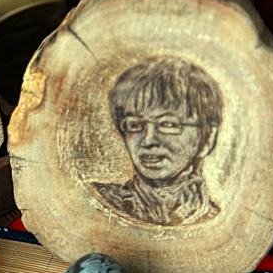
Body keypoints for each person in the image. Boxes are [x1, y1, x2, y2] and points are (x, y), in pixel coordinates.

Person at [92, 56, 223, 226]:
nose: (148, 140)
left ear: (207, 138)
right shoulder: (101, 202)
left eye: (167, 124)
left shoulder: (216, 220)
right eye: (134, 125)